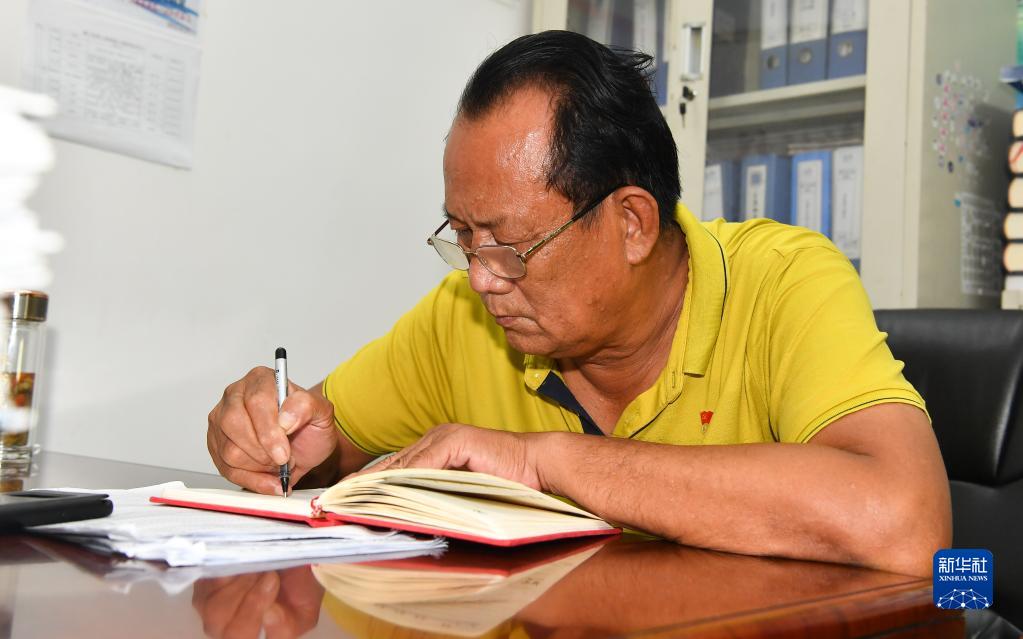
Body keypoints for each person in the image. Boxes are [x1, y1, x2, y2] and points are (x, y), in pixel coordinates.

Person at [207, 31, 950, 577]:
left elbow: (905, 523)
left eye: (509, 243)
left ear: (631, 223)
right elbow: (325, 445)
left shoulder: (784, 282)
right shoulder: (463, 316)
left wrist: (543, 461)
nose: (481, 278)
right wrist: (281, 440)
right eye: (462, 236)